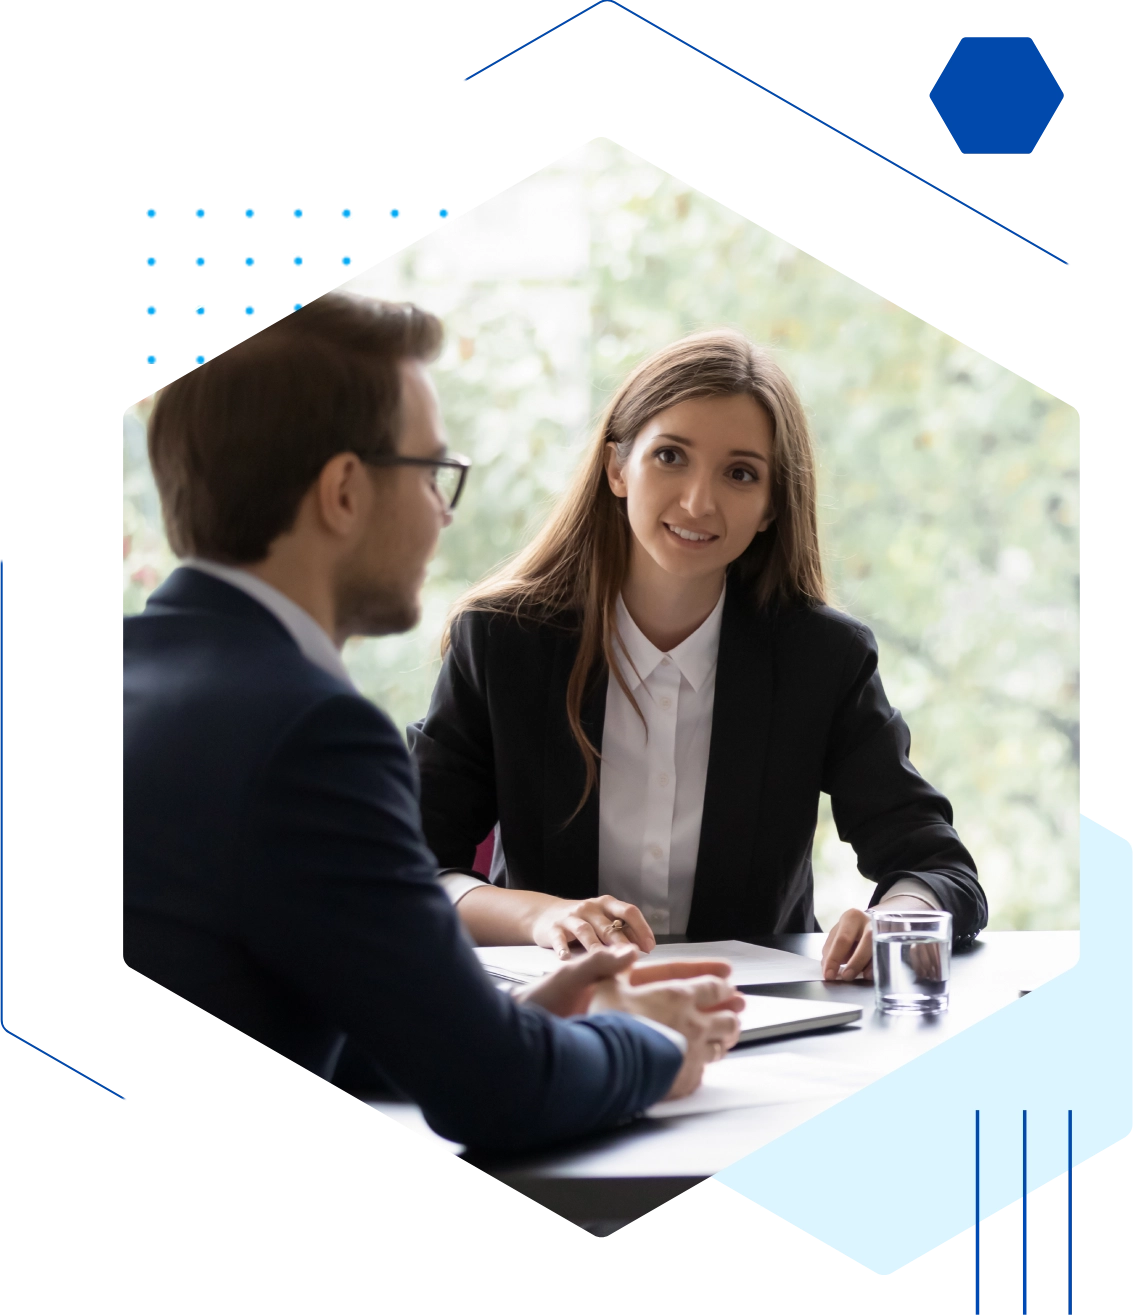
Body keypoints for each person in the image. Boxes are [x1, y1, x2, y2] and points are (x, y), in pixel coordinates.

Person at [120, 295, 745, 1156]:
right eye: (431, 474)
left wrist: (493, 1021)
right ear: (344, 491)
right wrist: (658, 1042)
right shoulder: (309, 733)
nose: (443, 514)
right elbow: (498, 1097)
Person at [408, 330, 988, 980]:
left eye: (741, 474)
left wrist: (898, 915)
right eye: (670, 457)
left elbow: (938, 867)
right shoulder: (501, 640)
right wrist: (540, 916)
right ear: (616, 468)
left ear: (771, 507)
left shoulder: (822, 660)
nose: (698, 502)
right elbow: (412, 868)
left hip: (757, 1025)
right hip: (566, 1017)